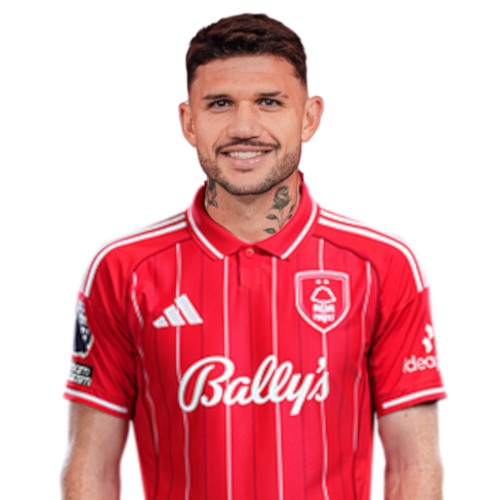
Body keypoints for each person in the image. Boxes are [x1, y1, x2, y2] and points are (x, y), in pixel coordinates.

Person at [59, 12, 448, 500]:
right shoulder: (121, 269)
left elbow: (415, 469)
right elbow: (90, 471)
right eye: (220, 104)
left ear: (309, 117)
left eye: (269, 102)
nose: (244, 127)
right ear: (189, 122)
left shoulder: (385, 264)